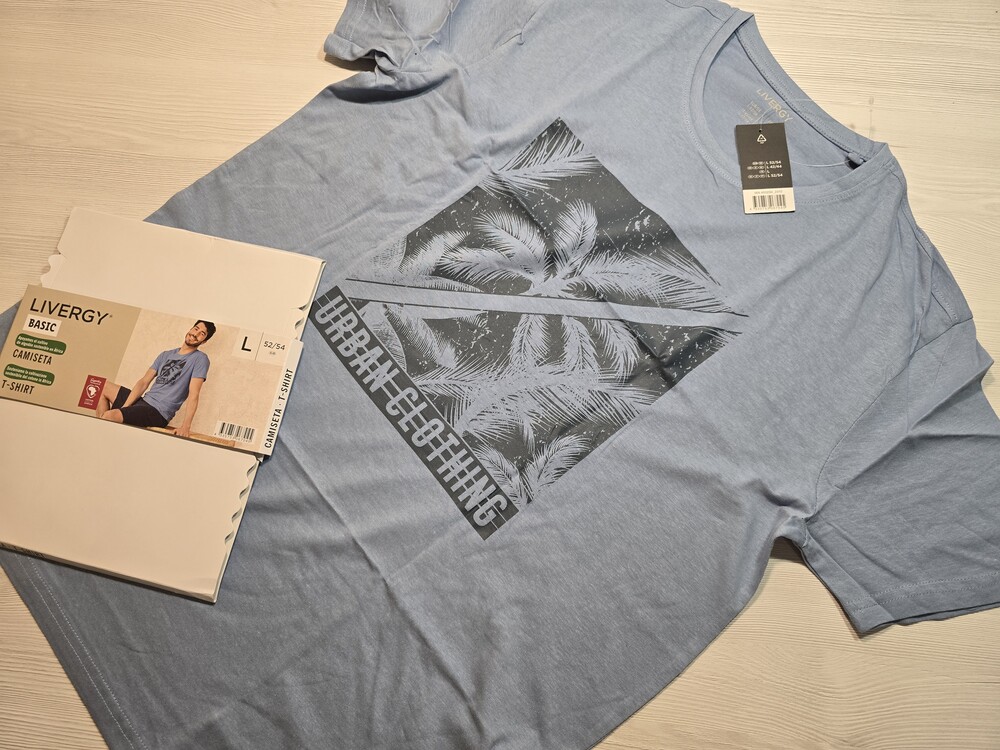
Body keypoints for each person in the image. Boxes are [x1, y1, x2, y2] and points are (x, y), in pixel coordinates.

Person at [97, 320, 215, 438]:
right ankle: (102, 436)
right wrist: (126, 407)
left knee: (109, 416)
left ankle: (101, 438)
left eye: (202, 333)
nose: (195, 334)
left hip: (158, 412)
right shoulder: (166, 354)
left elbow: (194, 394)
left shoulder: (200, 359)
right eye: (196, 328)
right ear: (190, 329)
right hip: (144, 402)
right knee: (101, 387)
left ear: (204, 341)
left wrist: (186, 426)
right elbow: (144, 382)